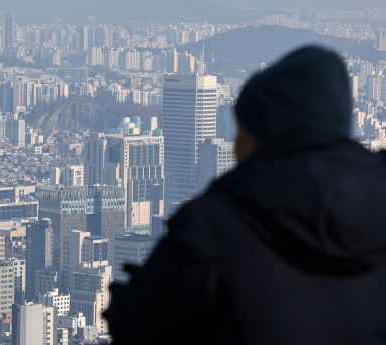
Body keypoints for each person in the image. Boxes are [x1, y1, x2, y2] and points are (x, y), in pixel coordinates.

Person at [103, 46, 386, 344]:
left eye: (240, 130)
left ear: (258, 137)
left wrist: (143, 289)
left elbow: (135, 326)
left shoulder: (214, 225)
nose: (233, 144)